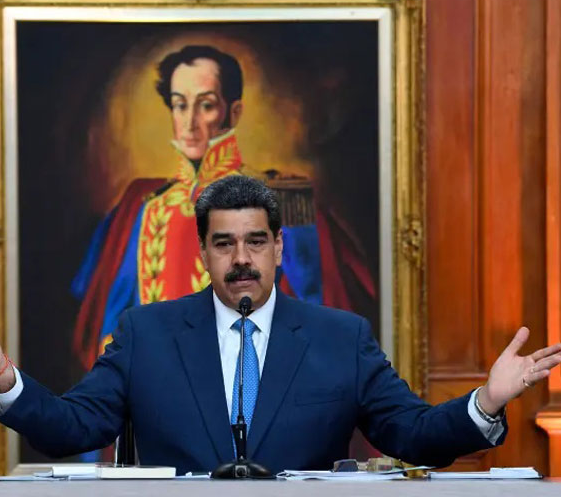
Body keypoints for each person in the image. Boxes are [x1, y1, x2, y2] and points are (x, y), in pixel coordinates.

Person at [0, 176, 561, 475]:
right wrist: (3, 374)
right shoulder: (147, 333)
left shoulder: (340, 337)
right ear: (204, 254)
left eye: (256, 242)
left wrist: (486, 402)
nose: (241, 259)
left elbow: (412, 435)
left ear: (279, 248)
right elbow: (73, 427)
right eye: (225, 244)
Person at [71, 45, 375, 373]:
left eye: (206, 105)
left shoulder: (280, 199)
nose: (189, 122)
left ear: (234, 112)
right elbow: (114, 331)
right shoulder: (145, 208)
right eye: (179, 104)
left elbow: (311, 319)